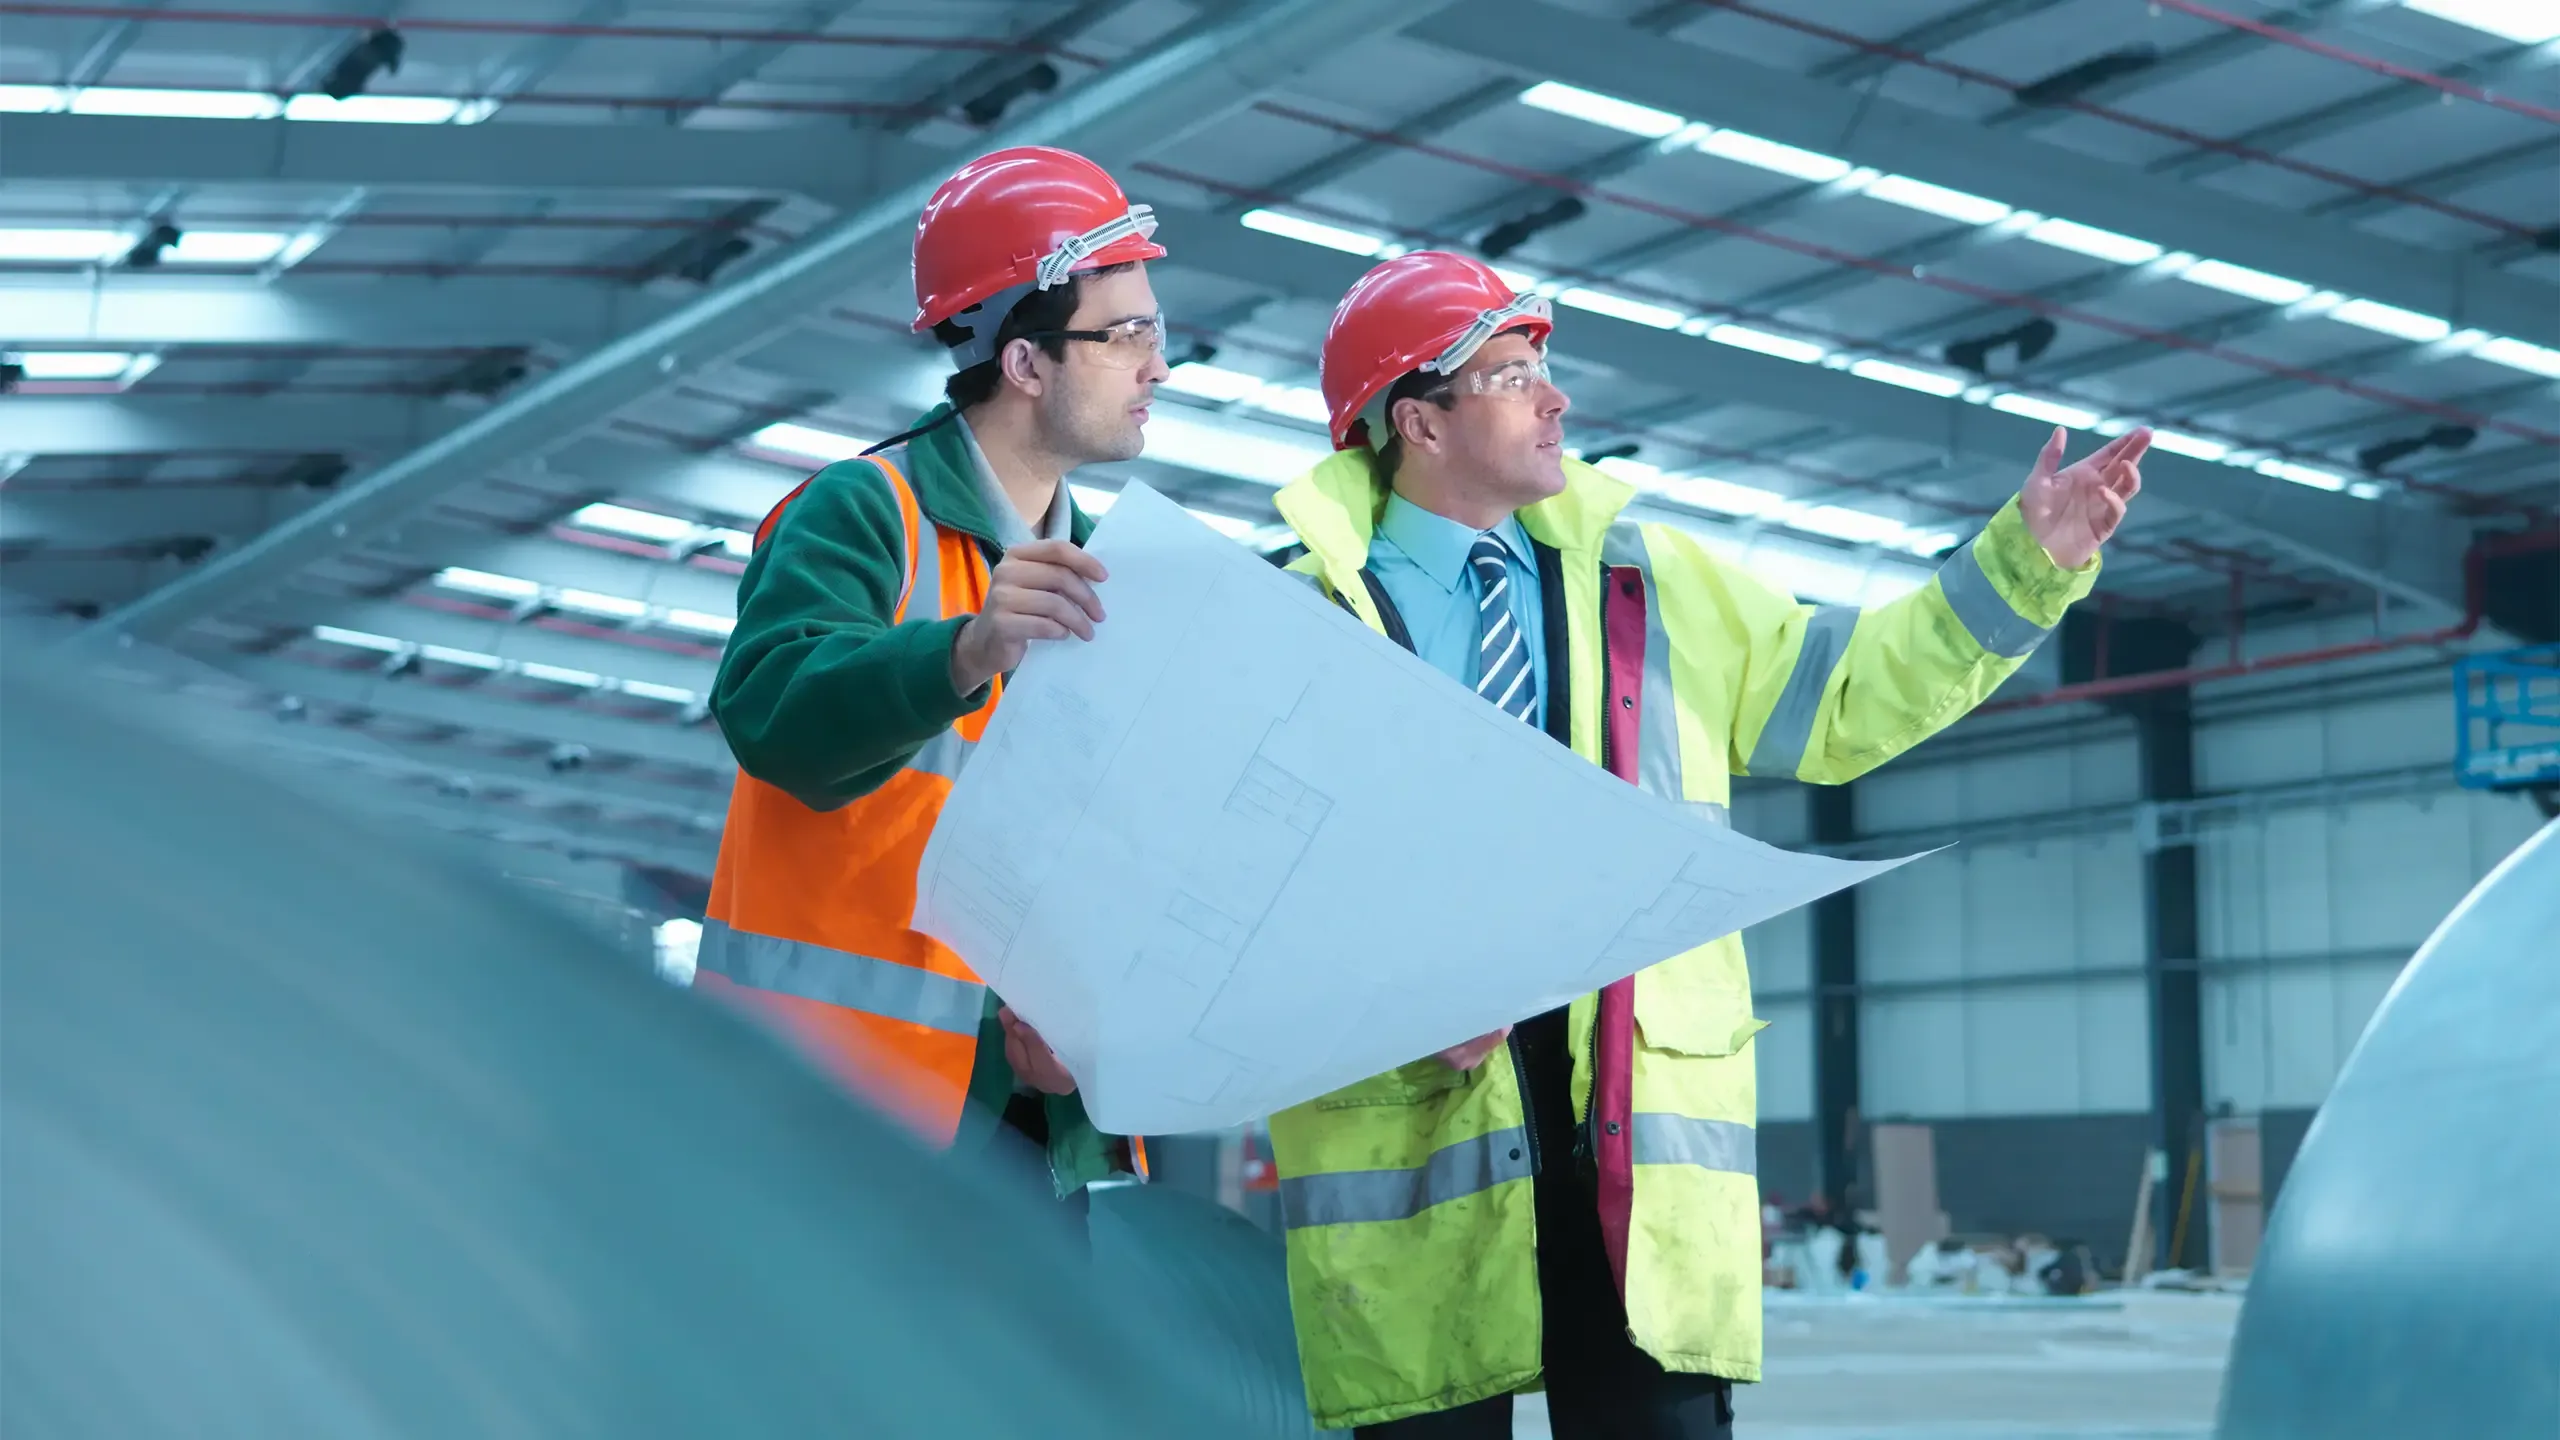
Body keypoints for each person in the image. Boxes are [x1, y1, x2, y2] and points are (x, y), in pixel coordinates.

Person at [1265, 251, 2147, 1439]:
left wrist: (2023, 566)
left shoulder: (1653, 583)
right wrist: (1385, 990)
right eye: (1515, 372)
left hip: (1625, 1127)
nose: (1555, 400)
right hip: (1418, 1131)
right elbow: (1241, 883)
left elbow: (1843, 698)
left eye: (1546, 369)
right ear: (1418, 420)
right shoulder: (1294, 617)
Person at [696, 146, 1173, 1205]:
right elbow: (772, 719)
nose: (1159, 365)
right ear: (1025, 362)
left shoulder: (1111, 582)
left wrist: (1091, 1045)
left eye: (1156, 331)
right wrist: (962, 651)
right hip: (832, 1119)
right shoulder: (866, 513)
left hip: (1030, 1132)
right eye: (1127, 332)